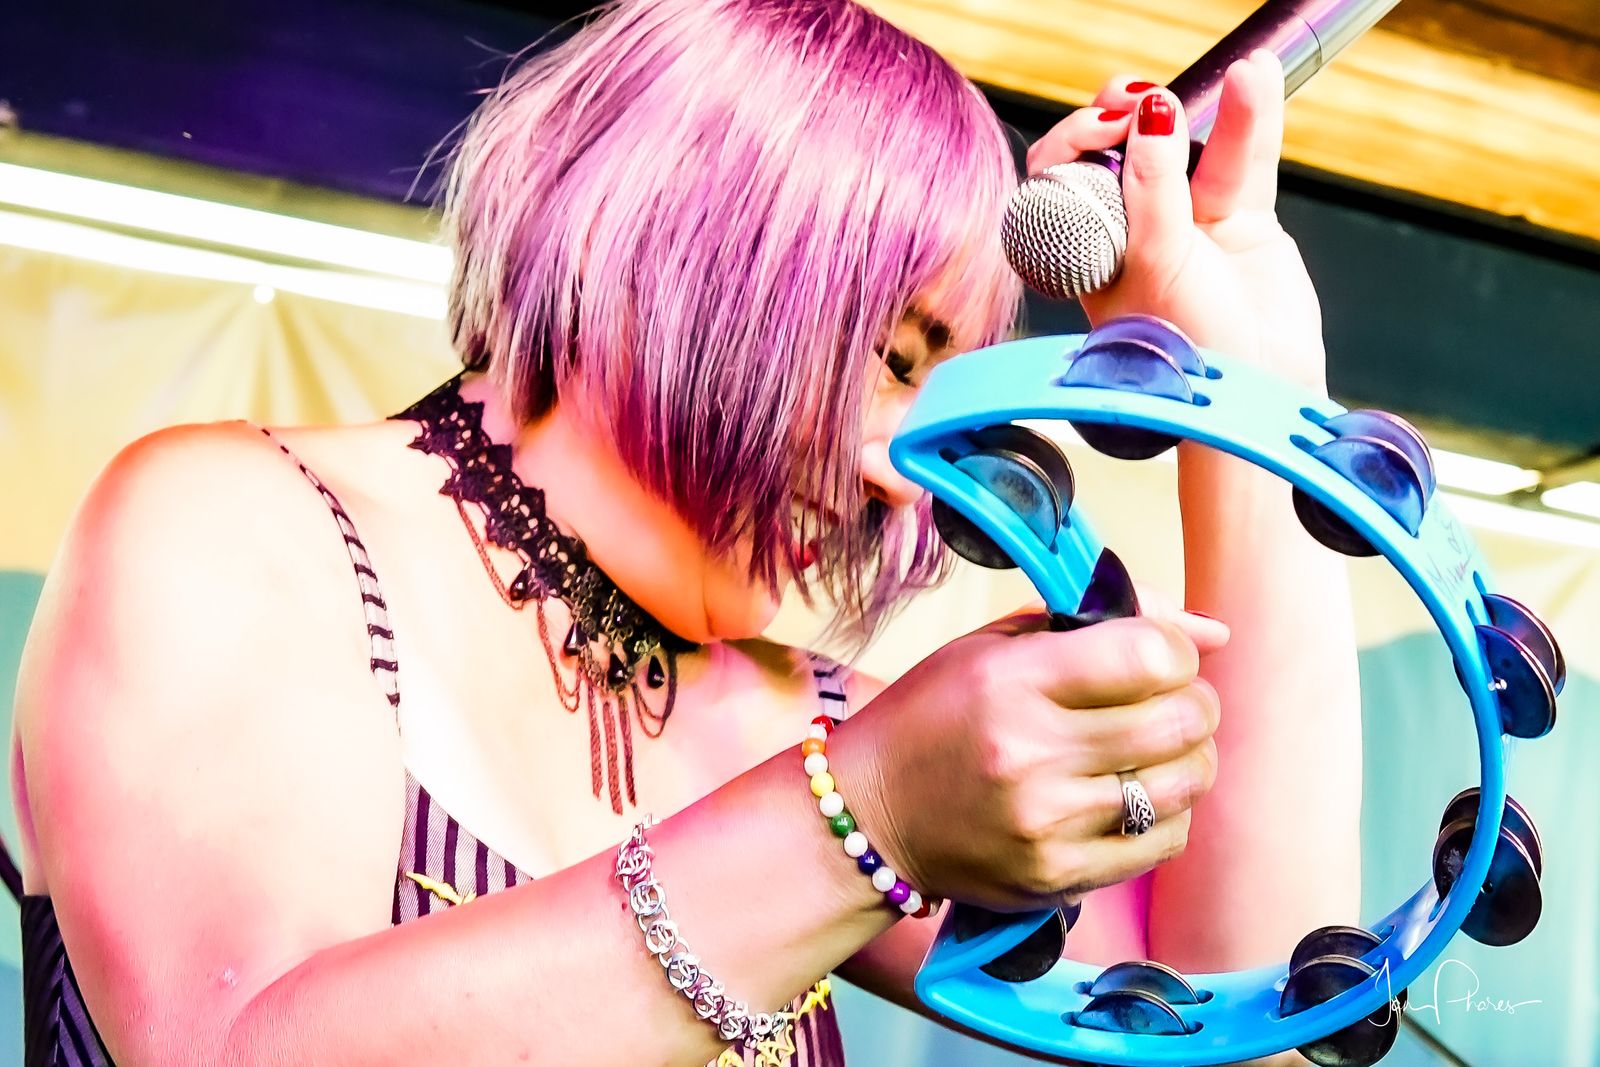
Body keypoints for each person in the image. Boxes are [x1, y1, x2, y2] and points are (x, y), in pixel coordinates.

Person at [10, 1, 1361, 1064]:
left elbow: (1237, 1017)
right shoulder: (243, 529)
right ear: (687, 248)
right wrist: (858, 821)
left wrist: (1249, 388)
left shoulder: (795, 717)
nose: (906, 476)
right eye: (894, 361)